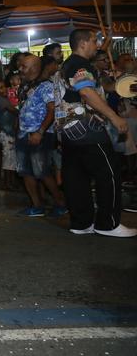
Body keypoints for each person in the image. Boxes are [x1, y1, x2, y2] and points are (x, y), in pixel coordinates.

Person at [57, 29, 136, 237]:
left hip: (68, 131)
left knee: (77, 176)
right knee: (108, 173)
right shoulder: (79, 65)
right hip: (87, 129)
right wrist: (114, 117)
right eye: (94, 41)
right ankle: (108, 224)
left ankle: (81, 223)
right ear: (83, 43)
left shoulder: (67, 65)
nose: (97, 45)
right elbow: (86, 92)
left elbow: (93, 88)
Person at [16, 55, 68, 217]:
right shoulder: (27, 86)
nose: (20, 69)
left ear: (34, 68)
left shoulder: (45, 86)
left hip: (40, 135)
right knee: (25, 171)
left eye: (24, 66)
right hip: (24, 134)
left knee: (42, 172)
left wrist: (40, 132)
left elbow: (52, 110)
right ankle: (36, 205)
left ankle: (61, 203)